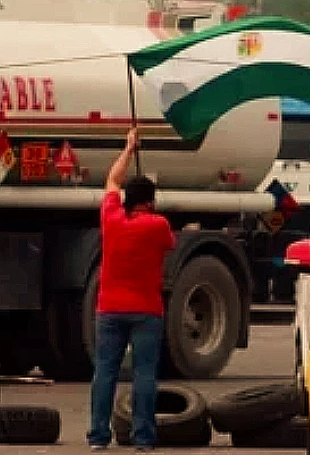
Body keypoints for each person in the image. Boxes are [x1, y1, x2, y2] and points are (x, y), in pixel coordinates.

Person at [87, 128, 176, 451]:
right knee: (144, 375)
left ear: (128, 198)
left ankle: (98, 437)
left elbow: (111, 181)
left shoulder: (111, 217)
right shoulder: (158, 225)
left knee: (105, 372)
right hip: (146, 310)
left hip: (108, 309)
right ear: (150, 202)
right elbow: (169, 245)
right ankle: (143, 438)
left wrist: (128, 148)